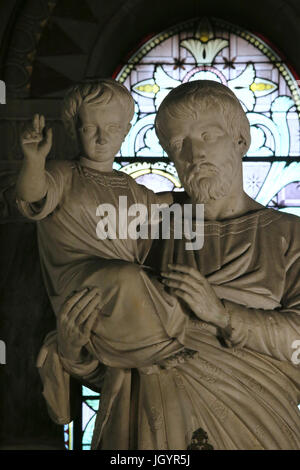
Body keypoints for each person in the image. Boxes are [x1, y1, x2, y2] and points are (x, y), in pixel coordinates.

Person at [31, 80, 300, 450]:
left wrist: (222, 315)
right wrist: (76, 352)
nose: (193, 153)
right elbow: (122, 356)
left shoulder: (290, 235)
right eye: (177, 144)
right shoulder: (147, 232)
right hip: (145, 434)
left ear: (242, 140)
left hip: (258, 424)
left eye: (208, 135)